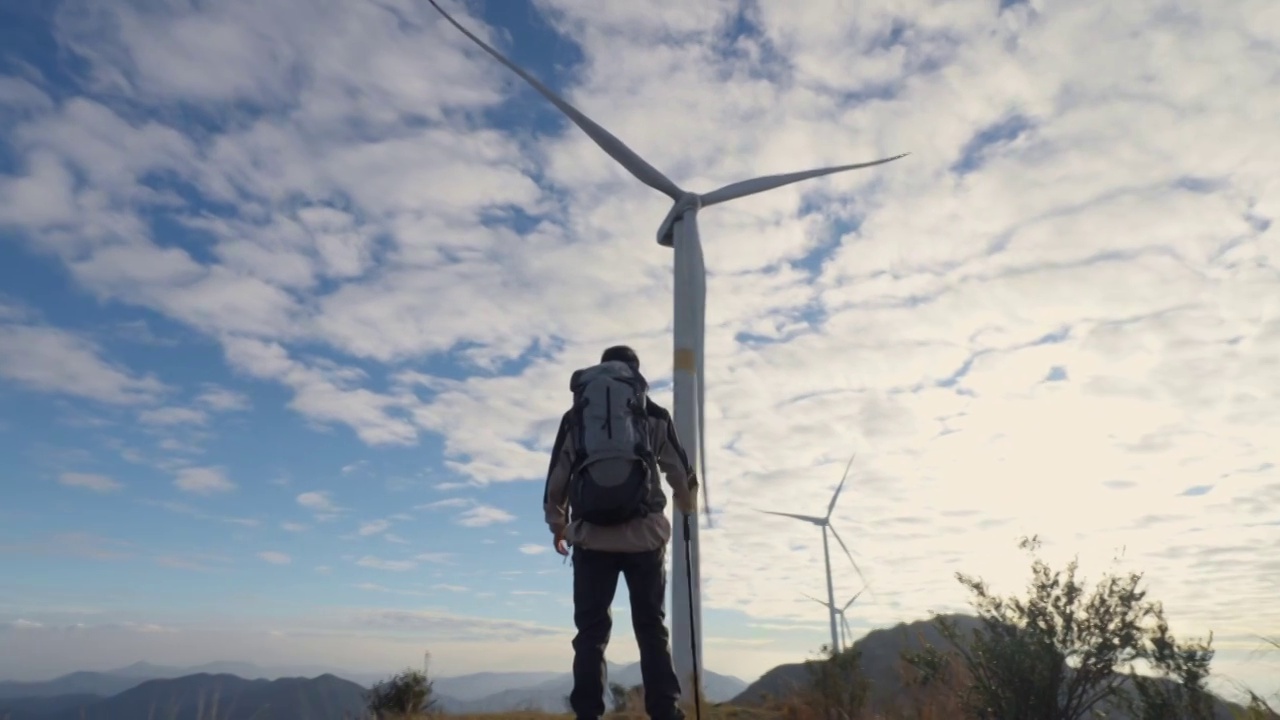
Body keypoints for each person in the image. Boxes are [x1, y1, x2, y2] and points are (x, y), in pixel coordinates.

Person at [543, 344, 698, 720]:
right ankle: (665, 712)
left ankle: (588, 714)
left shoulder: (577, 416)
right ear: (634, 373)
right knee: (651, 629)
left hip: (591, 538)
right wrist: (686, 504)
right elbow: (678, 467)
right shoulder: (651, 412)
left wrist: (558, 523)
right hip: (644, 537)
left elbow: (557, 476)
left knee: (591, 635)